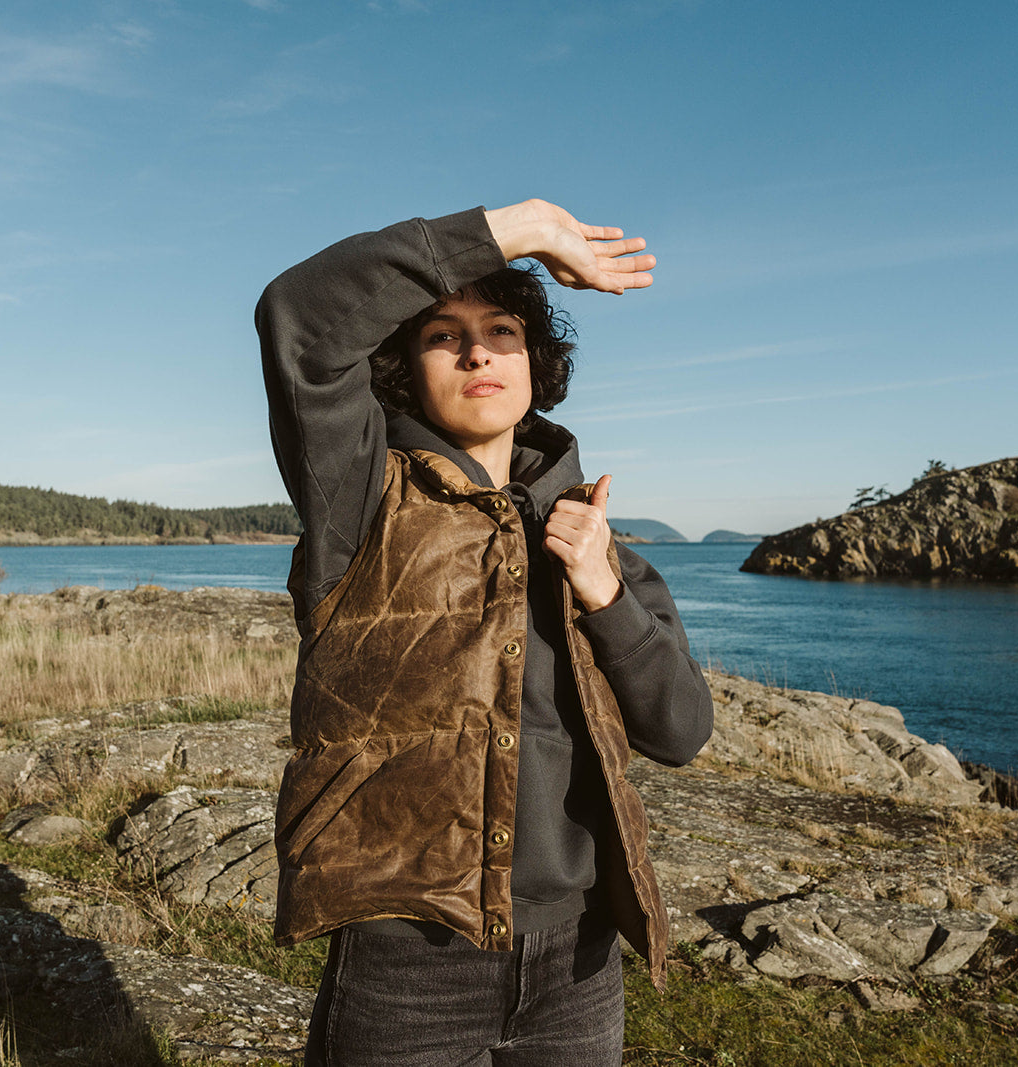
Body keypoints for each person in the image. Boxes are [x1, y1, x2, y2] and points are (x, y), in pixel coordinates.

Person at [255, 198, 714, 1066]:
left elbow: (682, 730)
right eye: (443, 334)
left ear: (535, 364)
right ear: (403, 367)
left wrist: (605, 593)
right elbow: (300, 316)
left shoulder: (591, 535)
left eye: (501, 330)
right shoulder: (360, 496)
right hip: (406, 965)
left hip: (578, 967)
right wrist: (525, 226)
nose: (477, 351)